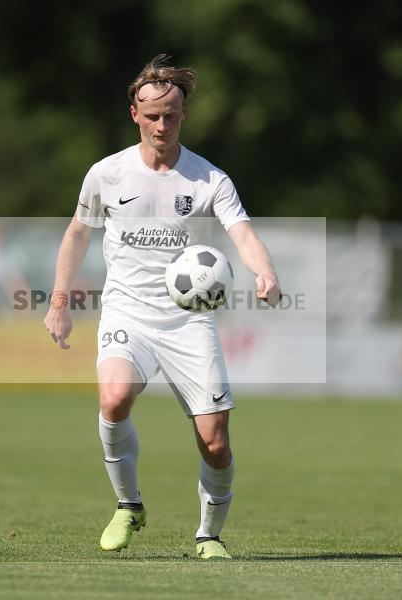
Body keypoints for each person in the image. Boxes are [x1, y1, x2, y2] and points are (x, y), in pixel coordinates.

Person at [43, 55, 281, 560]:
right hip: (127, 310)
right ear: (134, 113)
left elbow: (243, 234)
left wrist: (265, 270)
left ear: (183, 114)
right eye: (152, 115)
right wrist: (59, 302)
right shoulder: (106, 174)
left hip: (188, 319)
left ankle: (208, 535)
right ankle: (129, 505)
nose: (161, 125)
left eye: (171, 115)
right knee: (113, 398)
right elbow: (77, 234)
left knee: (215, 440)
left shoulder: (209, 179)